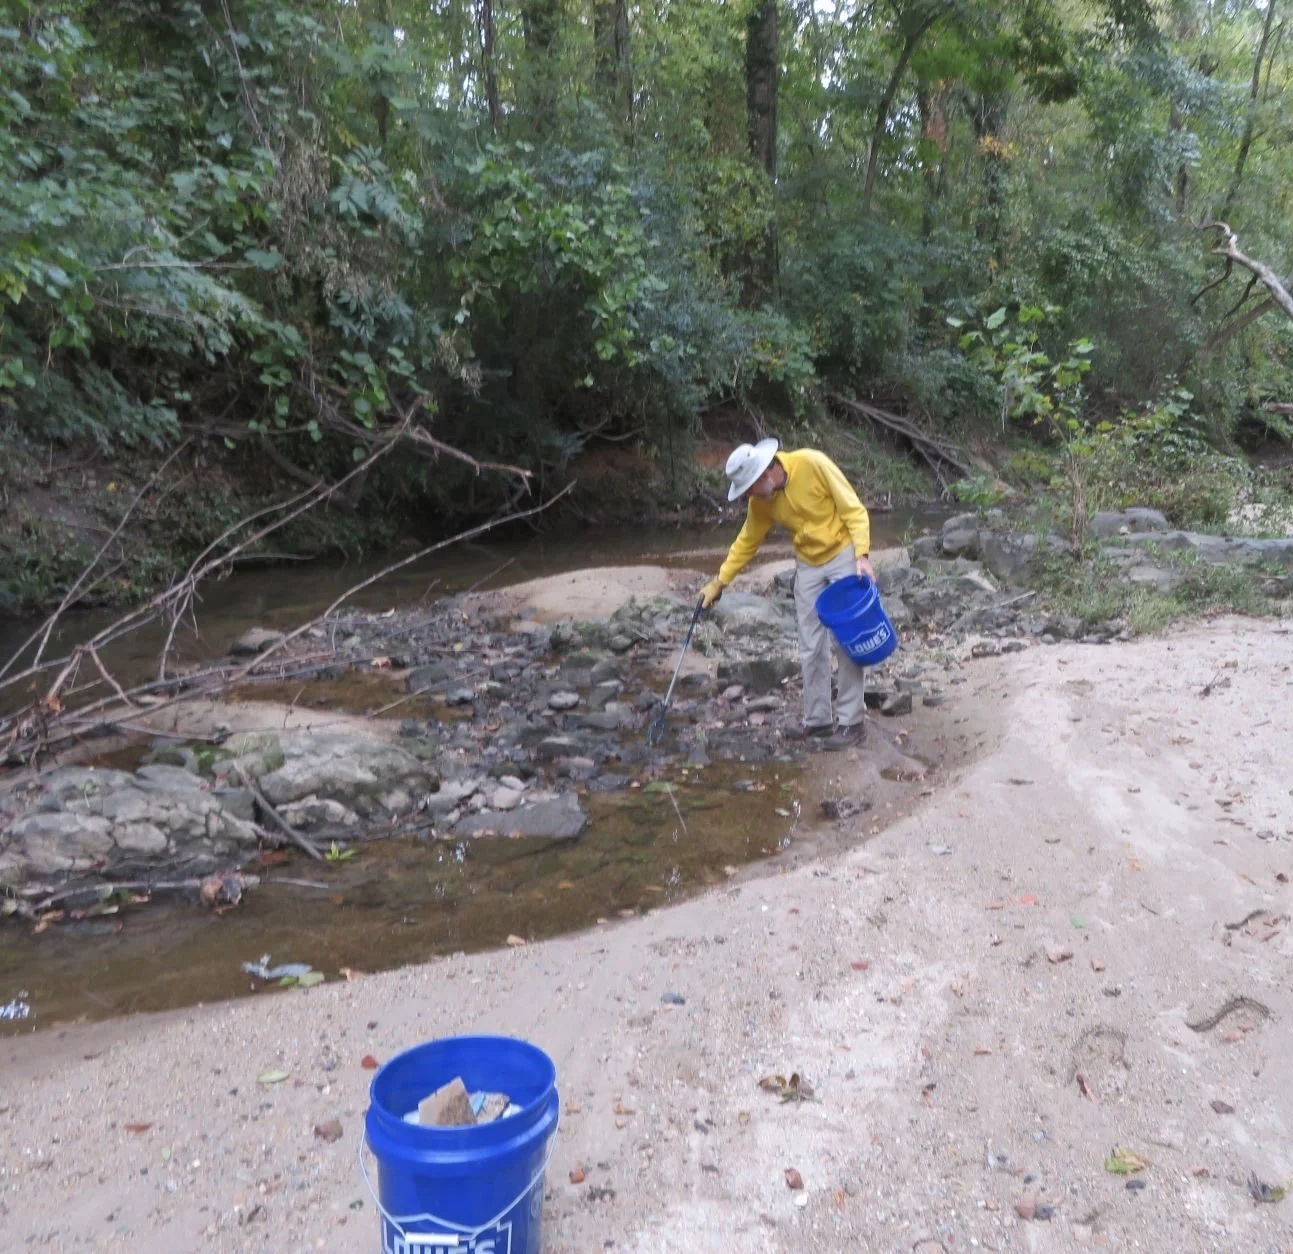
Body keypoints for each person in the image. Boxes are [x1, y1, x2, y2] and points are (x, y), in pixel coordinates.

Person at [700, 437, 874, 750]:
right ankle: (818, 722)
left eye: (749, 489)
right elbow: (746, 542)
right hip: (807, 563)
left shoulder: (812, 463)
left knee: (847, 640)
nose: (748, 497)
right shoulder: (761, 502)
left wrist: (862, 556)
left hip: (842, 554)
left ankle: (852, 723)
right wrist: (719, 583)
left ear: (764, 474)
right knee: (811, 644)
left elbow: (853, 509)